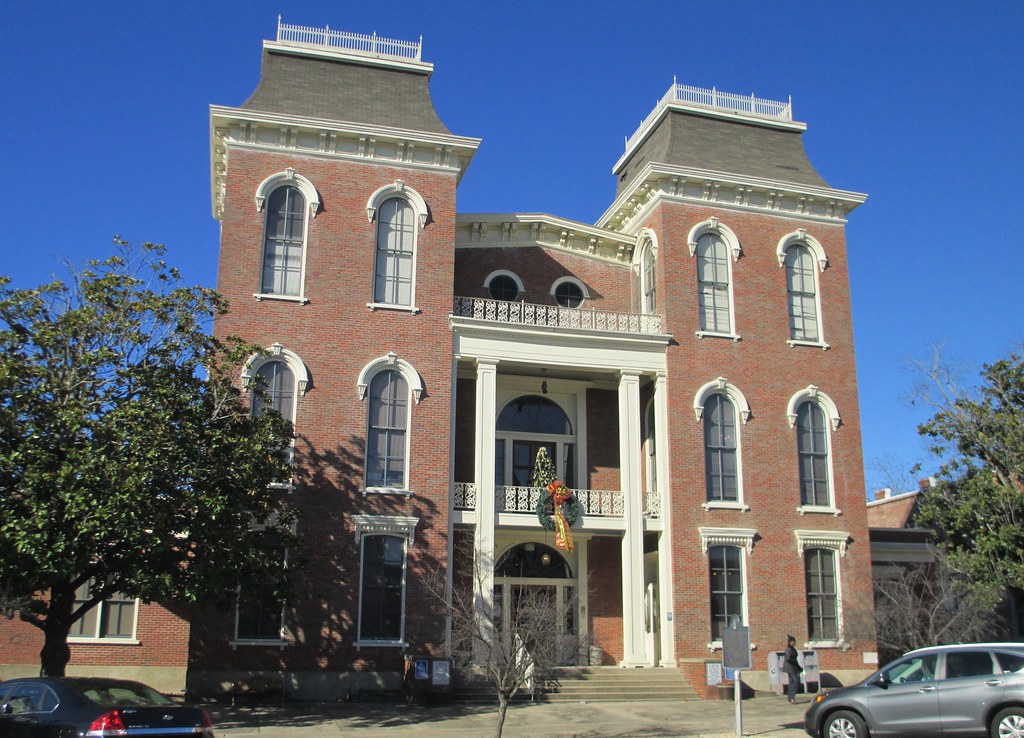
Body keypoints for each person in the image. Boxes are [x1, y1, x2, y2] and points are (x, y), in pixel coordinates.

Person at [783, 635, 803, 703]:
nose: (795, 642)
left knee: (792, 682)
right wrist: (795, 664)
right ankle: (792, 697)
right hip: (790, 668)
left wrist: (798, 667)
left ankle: (790, 697)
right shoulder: (789, 649)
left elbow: (794, 659)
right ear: (791, 642)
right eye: (794, 641)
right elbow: (789, 659)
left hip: (793, 667)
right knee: (795, 681)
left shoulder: (792, 649)